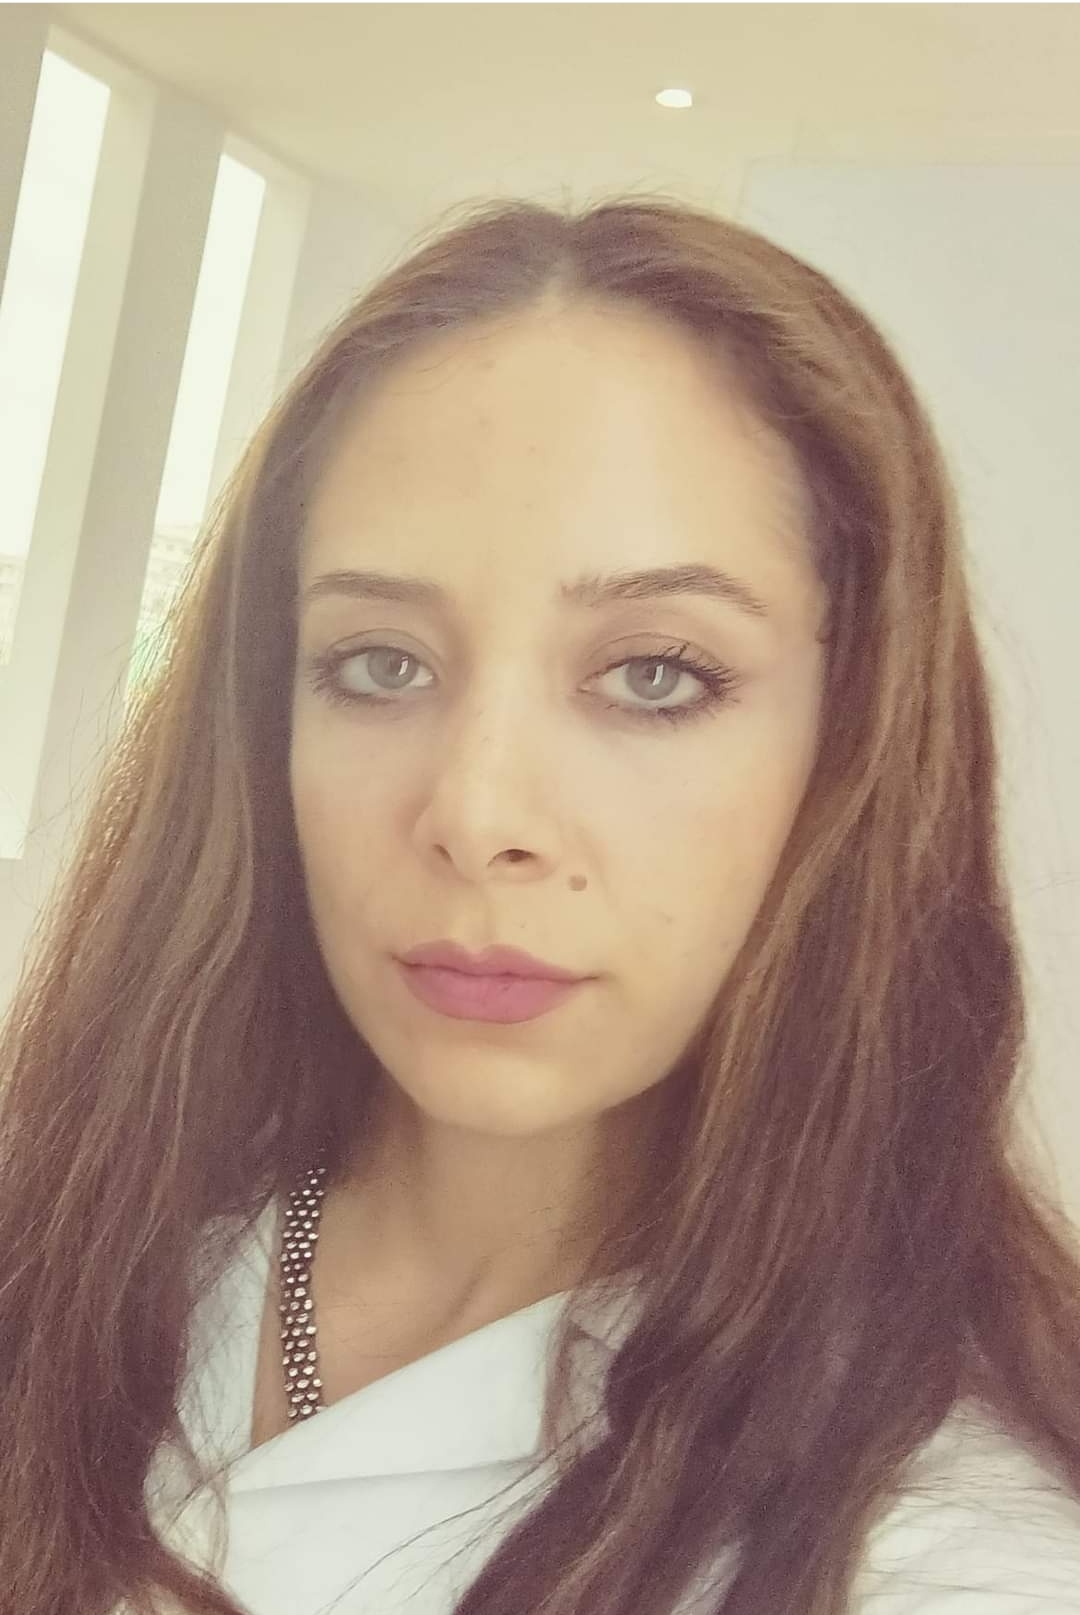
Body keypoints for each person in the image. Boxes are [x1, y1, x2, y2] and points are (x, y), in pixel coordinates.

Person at [1, 193, 1079, 1615]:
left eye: (654, 675)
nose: (477, 814)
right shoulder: (82, 1234)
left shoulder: (939, 1552)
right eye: (380, 664)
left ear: (855, 744)